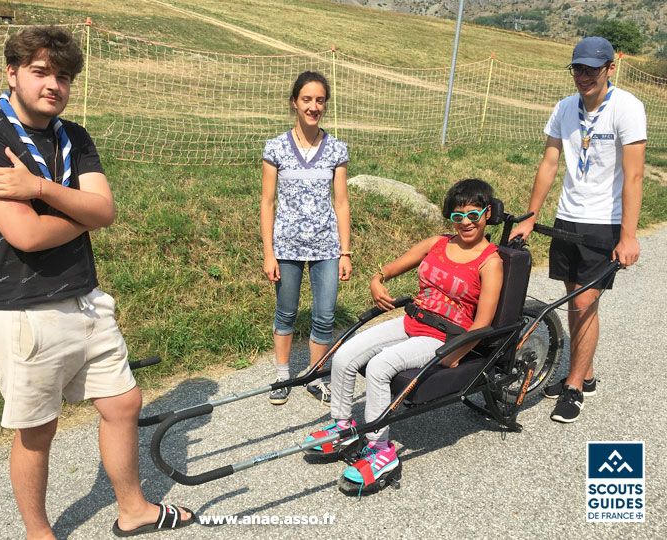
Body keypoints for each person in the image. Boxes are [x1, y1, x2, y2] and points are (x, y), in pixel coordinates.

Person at [0, 26, 194, 539]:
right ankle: (39, 533)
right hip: (23, 310)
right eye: (40, 72)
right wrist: (87, 211)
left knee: (123, 402)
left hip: (85, 298)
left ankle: (134, 509)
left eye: (63, 76)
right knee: (38, 431)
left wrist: (38, 186)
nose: (53, 85)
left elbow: (105, 207)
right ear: (12, 73)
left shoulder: (74, 135)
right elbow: (27, 235)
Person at [305, 179, 503, 489]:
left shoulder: (490, 262)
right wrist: (376, 280)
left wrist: (458, 353)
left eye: (473, 215)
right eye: (457, 216)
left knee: (380, 367)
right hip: (412, 321)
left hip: (444, 336)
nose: (465, 222)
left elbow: (483, 322)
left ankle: (380, 451)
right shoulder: (437, 243)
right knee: (344, 355)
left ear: (487, 213)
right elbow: (391, 268)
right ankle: (343, 428)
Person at [509, 36, 646, 424]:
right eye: (577, 69)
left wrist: (629, 235)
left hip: (604, 221)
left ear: (610, 68)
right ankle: (583, 374)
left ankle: (572, 387)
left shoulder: (627, 108)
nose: (583, 76)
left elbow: (634, 176)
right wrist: (532, 215)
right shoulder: (565, 108)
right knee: (574, 299)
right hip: (569, 216)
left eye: (592, 68)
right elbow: (550, 161)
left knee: (586, 303)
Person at [260, 71, 352, 406]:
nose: (314, 107)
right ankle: (283, 376)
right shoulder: (276, 148)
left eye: (320, 100)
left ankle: (314, 375)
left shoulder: (336, 150)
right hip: (286, 246)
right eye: (307, 99)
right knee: (286, 312)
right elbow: (267, 203)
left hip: (327, 246)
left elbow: (341, 202)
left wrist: (345, 251)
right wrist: (269, 253)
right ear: (295, 102)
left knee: (325, 315)